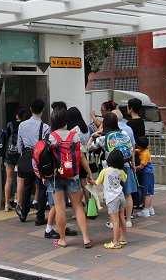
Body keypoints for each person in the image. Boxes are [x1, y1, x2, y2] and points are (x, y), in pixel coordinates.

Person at [38, 107, 95, 249]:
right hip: (73, 176)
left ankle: (62, 240)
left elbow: (43, 158)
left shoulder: (50, 137)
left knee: (60, 208)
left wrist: (43, 176)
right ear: (66, 121)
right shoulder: (73, 136)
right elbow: (81, 156)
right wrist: (89, 173)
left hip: (56, 177)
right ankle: (86, 238)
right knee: (78, 206)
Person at [88, 112, 136, 229]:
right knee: (127, 194)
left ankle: (113, 221)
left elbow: (87, 148)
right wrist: (133, 164)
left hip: (110, 169)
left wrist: (93, 136)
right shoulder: (124, 133)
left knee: (112, 195)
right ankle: (128, 220)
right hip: (126, 165)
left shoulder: (103, 137)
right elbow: (131, 150)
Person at [15, 99, 49, 224]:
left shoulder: (22, 125)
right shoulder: (44, 127)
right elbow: (46, 145)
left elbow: (19, 145)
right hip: (39, 159)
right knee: (42, 186)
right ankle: (40, 217)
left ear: (30, 109)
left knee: (27, 186)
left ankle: (24, 213)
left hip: (27, 156)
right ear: (43, 110)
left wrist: (23, 155)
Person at [96, 149, 127, 249]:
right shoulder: (120, 171)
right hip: (121, 196)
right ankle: (122, 238)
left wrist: (90, 181)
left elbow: (98, 182)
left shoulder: (105, 171)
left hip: (111, 198)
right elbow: (124, 179)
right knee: (122, 218)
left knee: (115, 221)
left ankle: (116, 242)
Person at [2, 108, 26, 212]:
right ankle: (18, 203)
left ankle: (7, 204)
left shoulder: (9, 125)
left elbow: (4, 138)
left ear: (16, 115)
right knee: (20, 179)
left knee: (9, 179)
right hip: (20, 154)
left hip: (9, 154)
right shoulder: (25, 126)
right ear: (24, 115)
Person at [126, 98, 147, 208]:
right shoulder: (141, 121)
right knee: (139, 178)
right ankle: (141, 200)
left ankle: (135, 201)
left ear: (131, 108)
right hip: (141, 151)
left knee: (133, 177)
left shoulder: (130, 123)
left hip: (134, 152)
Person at [135, 135, 156, 217]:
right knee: (148, 193)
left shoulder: (145, 154)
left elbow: (141, 166)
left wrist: (134, 168)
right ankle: (150, 208)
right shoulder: (144, 151)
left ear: (140, 146)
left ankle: (146, 210)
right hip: (148, 175)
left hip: (147, 175)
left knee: (146, 193)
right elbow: (137, 151)